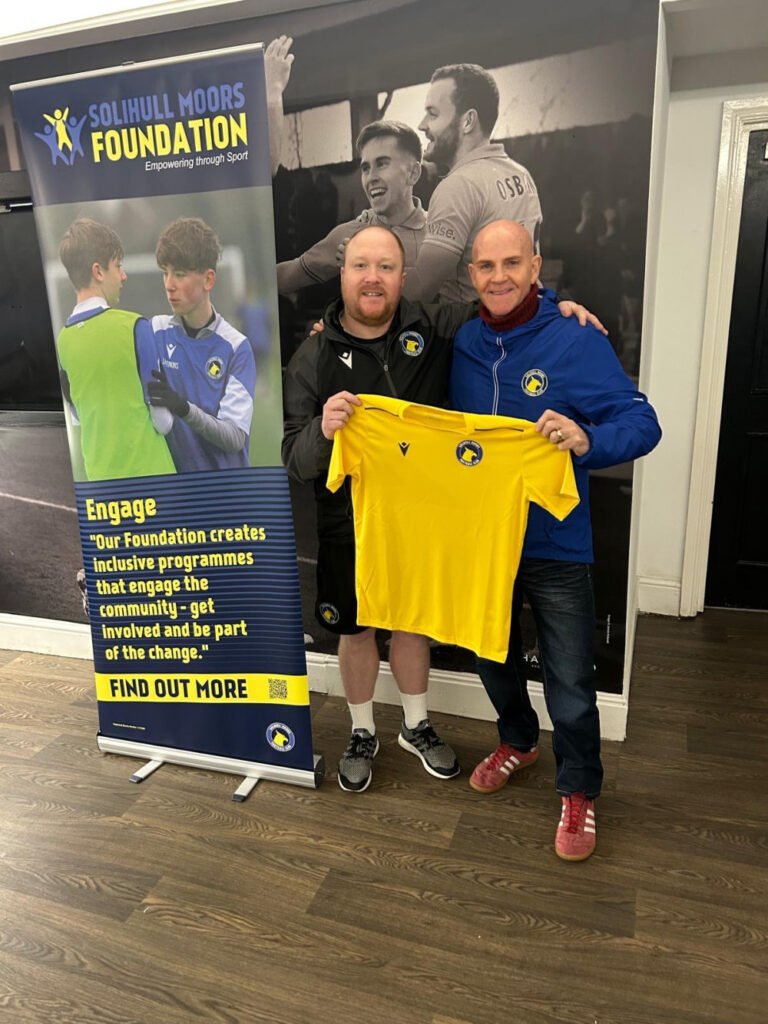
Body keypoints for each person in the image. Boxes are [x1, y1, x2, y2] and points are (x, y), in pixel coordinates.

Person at [449, 219, 661, 861]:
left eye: (512, 263)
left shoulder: (575, 337)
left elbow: (642, 421)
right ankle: (517, 742)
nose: (499, 277)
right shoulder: (463, 339)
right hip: (484, 543)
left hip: (556, 544)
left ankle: (578, 789)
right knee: (492, 659)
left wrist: (589, 440)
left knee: (569, 678)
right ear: (472, 275)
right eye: (487, 266)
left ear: (536, 267)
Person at [282, 225, 471, 793]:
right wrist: (322, 430)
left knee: (412, 624)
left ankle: (416, 725)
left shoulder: (435, 326)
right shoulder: (313, 356)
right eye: (361, 266)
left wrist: (560, 308)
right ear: (342, 274)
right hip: (349, 525)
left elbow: (505, 307)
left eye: (385, 267)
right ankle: (362, 731)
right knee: (357, 630)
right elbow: (294, 458)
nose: (372, 278)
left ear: (403, 277)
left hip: (419, 518)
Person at [405, 63, 542, 303]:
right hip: (521, 319)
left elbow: (418, 291)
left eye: (433, 114)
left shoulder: (458, 186)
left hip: (472, 324)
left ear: (468, 121)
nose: (422, 124)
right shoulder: (521, 174)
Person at [56, 218, 175, 481]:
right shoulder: (136, 327)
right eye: (118, 266)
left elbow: (77, 417)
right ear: (98, 271)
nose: (123, 275)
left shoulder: (63, 342)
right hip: (154, 480)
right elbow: (163, 422)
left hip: (102, 485)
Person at [149, 217, 256, 473]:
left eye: (179, 274)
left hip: (227, 491)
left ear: (208, 280)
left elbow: (234, 438)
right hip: (178, 491)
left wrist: (183, 408)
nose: (169, 285)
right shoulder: (154, 332)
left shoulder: (236, 347)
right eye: (165, 273)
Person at [276, 120, 426, 294]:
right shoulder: (349, 235)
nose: (371, 177)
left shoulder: (441, 234)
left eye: (382, 164)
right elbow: (287, 276)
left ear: (413, 173)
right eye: (366, 168)